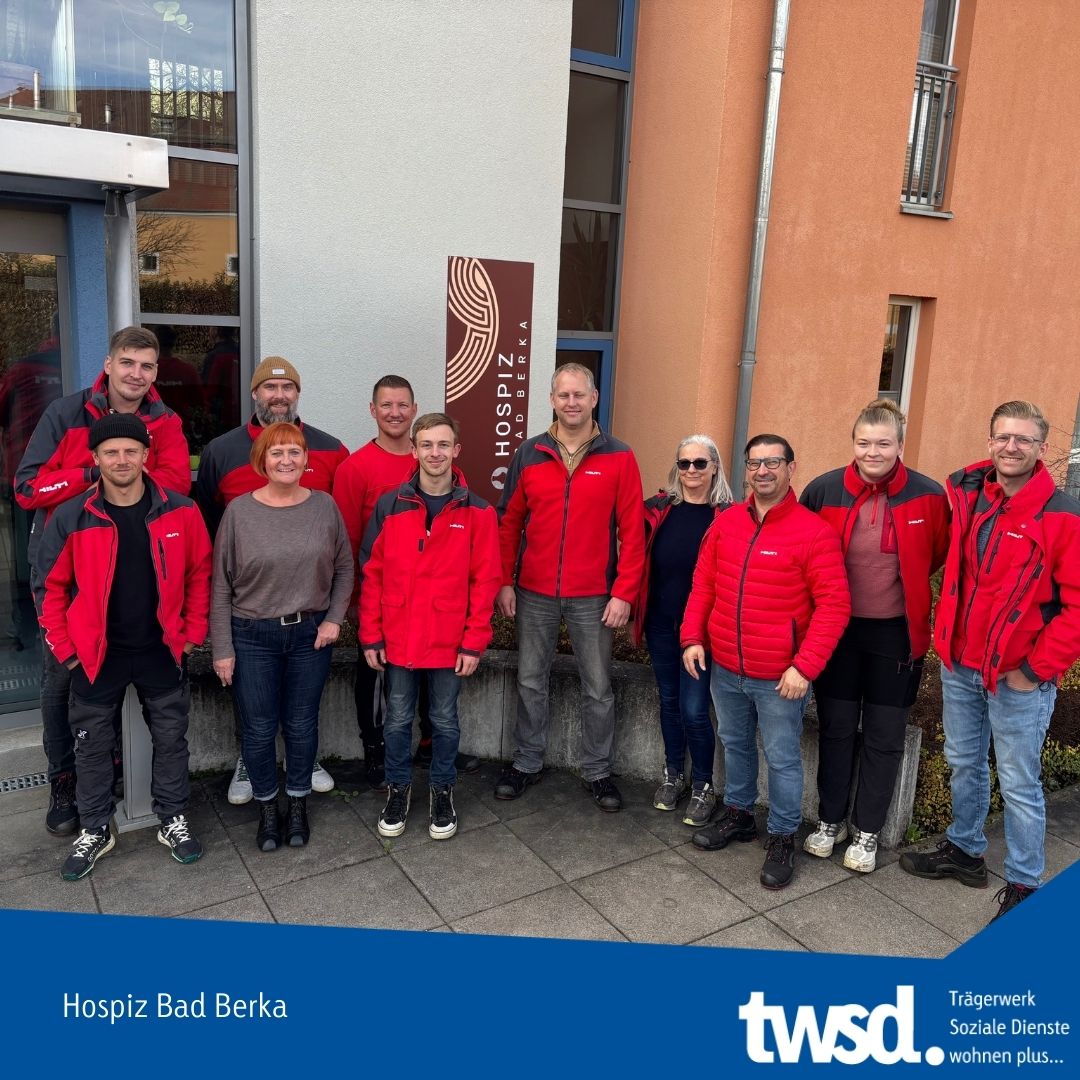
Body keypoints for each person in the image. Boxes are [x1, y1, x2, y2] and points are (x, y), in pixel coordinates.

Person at [899, 401, 1080, 922]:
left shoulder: (1062, 517)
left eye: (1024, 439)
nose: (1011, 447)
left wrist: (1035, 671)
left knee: (1020, 784)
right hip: (961, 665)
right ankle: (965, 849)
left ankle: (1024, 884)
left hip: (1016, 676)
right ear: (990, 441)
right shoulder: (971, 496)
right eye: (1003, 436)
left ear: (1042, 448)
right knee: (964, 762)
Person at [15, 325, 190, 837]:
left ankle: (109, 772)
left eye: (147, 366)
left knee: (115, 669)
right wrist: (91, 477)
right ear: (109, 364)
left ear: (155, 373)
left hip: (135, 561)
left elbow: (176, 485)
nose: (137, 374)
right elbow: (28, 488)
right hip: (68, 562)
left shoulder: (166, 422)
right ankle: (64, 780)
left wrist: (122, 479)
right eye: (128, 363)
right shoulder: (65, 413)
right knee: (64, 677)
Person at [35, 413, 211, 880]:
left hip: (160, 649)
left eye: (130, 450)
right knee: (92, 747)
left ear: (145, 455)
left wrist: (191, 635)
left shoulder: (180, 511)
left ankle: (172, 817)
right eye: (110, 452)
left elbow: (200, 574)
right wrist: (67, 650)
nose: (121, 459)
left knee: (171, 740)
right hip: (96, 656)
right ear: (95, 458)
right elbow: (48, 587)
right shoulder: (73, 516)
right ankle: (95, 827)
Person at [682, 434, 849, 890]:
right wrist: (693, 637)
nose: (763, 471)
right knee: (734, 743)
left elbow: (834, 605)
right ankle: (739, 814)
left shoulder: (813, 532)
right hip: (726, 667)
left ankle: (781, 836)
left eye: (773, 462)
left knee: (781, 758)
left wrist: (804, 667)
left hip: (780, 676)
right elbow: (704, 584)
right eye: (755, 463)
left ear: (791, 468)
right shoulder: (727, 524)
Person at [800, 399, 949, 872]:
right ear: (853, 443)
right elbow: (803, 551)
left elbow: (936, 554)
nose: (873, 452)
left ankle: (867, 831)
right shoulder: (823, 490)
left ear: (900, 445)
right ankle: (831, 820)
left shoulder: (928, 495)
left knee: (884, 736)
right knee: (837, 728)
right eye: (864, 443)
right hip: (837, 632)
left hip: (895, 636)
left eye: (883, 443)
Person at [197, 356, 348, 803]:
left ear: (297, 394)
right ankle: (251, 761)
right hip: (251, 614)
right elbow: (208, 530)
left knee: (302, 717)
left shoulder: (330, 450)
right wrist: (220, 639)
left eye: (287, 388)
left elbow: (339, 545)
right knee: (256, 716)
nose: (279, 396)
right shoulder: (221, 452)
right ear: (255, 393)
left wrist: (335, 614)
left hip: (308, 618)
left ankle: (304, 762)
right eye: (270, 387)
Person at [495, 363, 645, 812]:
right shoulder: (530, 453)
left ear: (594, 398)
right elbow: (509, 523)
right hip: (534, 591)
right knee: (530, 680)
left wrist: (624, 592)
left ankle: (597, 771)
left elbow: (632, 532)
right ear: (552, 400)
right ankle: (526, 762)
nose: (572, 402)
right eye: (564, 395)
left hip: (593, 595)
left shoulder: (620, 456)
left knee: (597, 686)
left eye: (580, 394)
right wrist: (504, 582)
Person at [210, 423, 352, 852]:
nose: (286, 460)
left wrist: (334, 619)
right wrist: (222, 648)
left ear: (306, 459)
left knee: (302, 724)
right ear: (262, 461)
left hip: (310, 635)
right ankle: (268, 809)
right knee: (258, 729)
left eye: (294, 452)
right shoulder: (239, 513)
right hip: (252, 635)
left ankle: (298, 803)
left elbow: (344, 568)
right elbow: (221, 586)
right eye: (277, 453)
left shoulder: (324, 506)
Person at [359, 414, 500, 839]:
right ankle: (398, 789)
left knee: (444, 719)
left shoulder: (478, 512)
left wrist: (473, 643)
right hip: (398, 637)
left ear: (456, 450)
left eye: (442, 445)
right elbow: (372, 573)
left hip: (449, 640)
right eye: (426, 445)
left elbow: (485, 582)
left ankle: (442, 789)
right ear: (414, 450)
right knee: (397, 720)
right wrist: (370, 634)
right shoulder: (390, 505)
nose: (434, 453)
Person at [333, 376, 479, 787]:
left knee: (435, 683)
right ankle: (376, 751)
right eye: (386, 405)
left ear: (414, 411)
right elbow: (348, 541)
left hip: (436, 606)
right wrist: (357, 603)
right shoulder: (355, 468)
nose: (394, 413)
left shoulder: (449, 470)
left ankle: (431, 744)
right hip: (383, 602)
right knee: (381, 683)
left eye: (402, 405)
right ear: (373, 410)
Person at [633, 435, 732, 826]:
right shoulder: (658, 510)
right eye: (684, 463)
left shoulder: (728, 516)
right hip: (660, 623)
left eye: (700, 463)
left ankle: (703, 784)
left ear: (714, 467)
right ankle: (673, 773)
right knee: (669, 702)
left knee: (694, 709)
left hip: (702, 633)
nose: (691, 470)